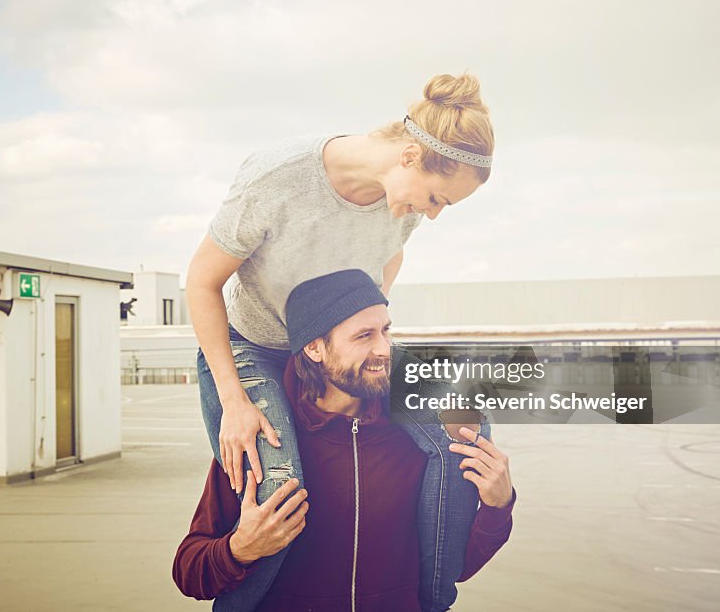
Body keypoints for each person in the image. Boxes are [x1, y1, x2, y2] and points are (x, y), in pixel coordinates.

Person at [187, 73, 495, 610]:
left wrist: (363, 333)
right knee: (277, 483)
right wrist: (233, 399)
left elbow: (387, 258)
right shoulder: (278, 179)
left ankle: (432, 592)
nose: (433, 213)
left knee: (467, 421)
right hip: (254, 346)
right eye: (436, 197)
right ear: (408, 158)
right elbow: (202, 281)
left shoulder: (400, 207)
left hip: (333, 348)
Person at [174, 270, 515, 611]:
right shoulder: (260, 440)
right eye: (364, 336)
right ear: (314, 347)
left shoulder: (417, 443)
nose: (384, 349)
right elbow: (188, 572)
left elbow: (455, 568)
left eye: (385, 331)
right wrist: (239, 549)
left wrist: (498, 507)